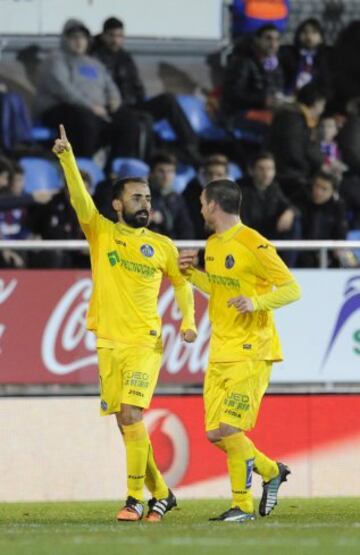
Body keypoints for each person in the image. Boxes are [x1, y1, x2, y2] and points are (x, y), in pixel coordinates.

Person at [53, 125, 197, 521]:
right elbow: (80, 199)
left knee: (133, 415)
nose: (144, 203)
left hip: (144, 343)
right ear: (117, 205)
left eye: (147, 197)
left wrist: (189, 320)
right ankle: (163, 493)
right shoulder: (100, 233)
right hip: (109, 343)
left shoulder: (163, 246)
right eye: (136, 197)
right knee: (126, 425)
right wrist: (67, 158)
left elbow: (183, 286)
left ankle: (134, 499)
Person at [178, 179, 301, 522]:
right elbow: (217, 291)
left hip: (252, 349)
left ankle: (242, 505)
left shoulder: (254, 243)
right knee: (215, 433)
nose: (201, 209)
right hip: (220, 349)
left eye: (203, 203)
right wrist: (189, 274)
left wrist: (256, 301)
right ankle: (271, 470)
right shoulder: (213, 245)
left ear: (214, 205)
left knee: (230, 429)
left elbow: (292, 290)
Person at [92, 17, 200, 163]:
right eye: (112, 35)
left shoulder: (125, 57)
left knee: (168, 100)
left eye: (120, 36)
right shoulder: (95, 57)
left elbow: (137, 85)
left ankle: (191, 147)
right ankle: (150, 162)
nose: (116, 40)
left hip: (135, 105)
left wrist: (140, 98)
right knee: (144, 120)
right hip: (116, 110)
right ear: (104, 35)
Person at [35, 19, 142, 159]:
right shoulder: (55, 60)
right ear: (65, 40)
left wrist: (114, 99)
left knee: (129, 121)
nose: (79, 42)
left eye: (82, 38)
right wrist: (90, 107)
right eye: (74, 38)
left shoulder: (94, 63)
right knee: (85, 121)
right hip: (61, 109)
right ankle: (83, 165)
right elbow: (63, 89)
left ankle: (114, 169)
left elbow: (110, 85)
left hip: (96, 112)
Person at [268, 82, 326, 200]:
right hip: (289, 174)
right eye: (322, 105)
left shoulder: (302, 118)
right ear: (315, 103)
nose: (322, 110)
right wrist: (310, 169)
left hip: (298, 172)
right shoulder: (292, 119)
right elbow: (292, 151)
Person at [298, 171, 349, 267]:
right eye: (317, 186)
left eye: (324, 189)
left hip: (328, 254)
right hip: (303, 253)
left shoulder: (338, 207)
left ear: (333, 192)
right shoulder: (302, 201)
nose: (318, 192)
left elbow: (341, 233)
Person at [280, 18, 333, 95]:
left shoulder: (326, 58)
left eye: (314, 32)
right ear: (298, 35)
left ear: (321, 38)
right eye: (305, 32)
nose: (309, 36)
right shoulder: (288, 54)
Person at [148, 153, 195, 239]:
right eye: (161, 171)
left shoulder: (177, 199)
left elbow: (186, 229)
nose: (166, 176)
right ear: (151, 173)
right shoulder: (142, 197)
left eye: (170, 171)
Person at [183, 154, 229, 239]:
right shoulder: (190, 197)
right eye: (210, 174)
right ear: (203, 175)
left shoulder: (234, 200)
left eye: (219, 175)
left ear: (226, 177)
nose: (213, 178)